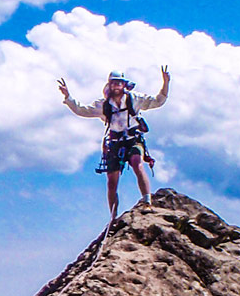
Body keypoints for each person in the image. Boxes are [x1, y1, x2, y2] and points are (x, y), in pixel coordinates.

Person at [58, 67, 170, 219]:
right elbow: (82, 110)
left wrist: (165, 83)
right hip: (115, 142)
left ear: (124, 85)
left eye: (119, 83)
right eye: (114, 83)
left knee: (137, 163)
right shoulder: (104, 105)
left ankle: (147, 202)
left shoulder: (134, 99)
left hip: (133, 139)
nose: (116, 86)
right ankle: (113, 217)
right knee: (112, 180)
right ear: (109, 85)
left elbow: (158, 101)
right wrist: (68, 97)